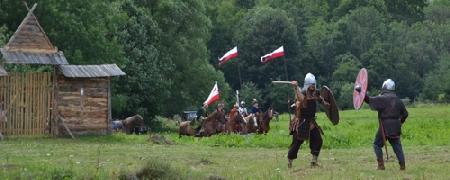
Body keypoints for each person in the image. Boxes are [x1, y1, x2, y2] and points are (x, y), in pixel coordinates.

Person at [358, 79, 408, 170]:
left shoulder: (383, 98)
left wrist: (360, 91)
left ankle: (381, 165)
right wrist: (400, 122)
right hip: (396, 126)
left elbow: (369, 100)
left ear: (384, 87)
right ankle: (402, 166)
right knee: (397, 146)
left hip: (384, 126)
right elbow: (405, 114)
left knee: (376, 145)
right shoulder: (398, 100)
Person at [288, 73, 330, 168]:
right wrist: (295, 88)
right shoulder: (302, 92)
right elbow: (301, 99)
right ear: (307, 84)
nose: (313, 86)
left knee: (318, 140)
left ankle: (314, 162)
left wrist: (325, 103)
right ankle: (290, 161)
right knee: (297, 143)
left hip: (311, 121)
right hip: (301, 121)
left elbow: (319, 99)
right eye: (311, 84)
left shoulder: (315, 92)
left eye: (314, 84)